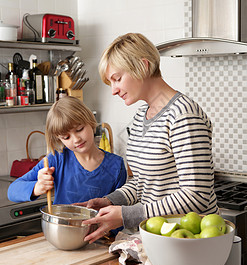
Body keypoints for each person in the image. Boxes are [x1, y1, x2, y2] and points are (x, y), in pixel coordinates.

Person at [78, 32, 219, 244]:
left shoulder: (183, 115)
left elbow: (196, 196)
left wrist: (127, 215)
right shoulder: (140, 116)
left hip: (191, 243)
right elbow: (144, 182)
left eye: (117, 79)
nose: (114, 90)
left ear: (143, 66)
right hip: (159, 240)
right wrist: (110, 201)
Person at [8, 96, 127, 205]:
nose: (76, 139)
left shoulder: (116, 166)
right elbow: (12, 191)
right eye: (66, 137)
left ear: (90, 121)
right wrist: (37, 187)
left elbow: (119, 213)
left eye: (79, 129)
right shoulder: (56, 160)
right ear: (60, 139)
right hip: (62, 228)